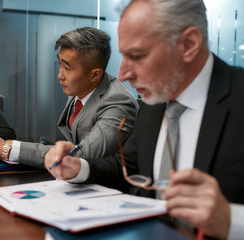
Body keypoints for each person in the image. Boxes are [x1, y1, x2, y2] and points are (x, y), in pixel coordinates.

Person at [44, 0, 244, 238]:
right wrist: (79, 167)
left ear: (188, 44)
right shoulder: (155, 101)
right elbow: (127, 167)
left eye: (136, 55)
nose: (123, 74)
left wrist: (231, 220)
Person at [0, 27, 137, 169]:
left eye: (67, 68)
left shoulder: (118, 102)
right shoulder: (79, 87)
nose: (60, 75)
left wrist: (10, 149)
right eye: (60, 64)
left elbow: (82, 154)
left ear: (95, 75)